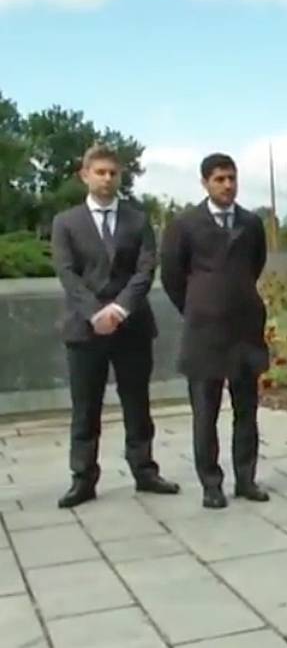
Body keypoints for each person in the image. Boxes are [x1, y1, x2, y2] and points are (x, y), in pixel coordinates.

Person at [50, 144, 180, 508]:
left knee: (137, 403)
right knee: (85, 406)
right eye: (100, 172)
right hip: (84, 328)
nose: (107, 179)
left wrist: (120, 310)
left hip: (132, 326)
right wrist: (96, 313)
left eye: (113, 173)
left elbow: (145, 270)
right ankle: (83, 478)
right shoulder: (65, 222)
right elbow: (66, 272)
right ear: (85, 175)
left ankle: (144, 471)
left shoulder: (138, 220)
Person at [160, 153, 270, 509]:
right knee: (205, 413)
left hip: (244, 330)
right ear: (205, 182)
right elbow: (173, 277)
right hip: (204, 333)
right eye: (220, 179)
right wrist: (197, 307)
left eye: (232, 178)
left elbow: (255, 265)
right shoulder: (185, 225)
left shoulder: (251, 223)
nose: (227, 185)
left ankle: (246, 478)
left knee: (246, 410)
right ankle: (211, 483)